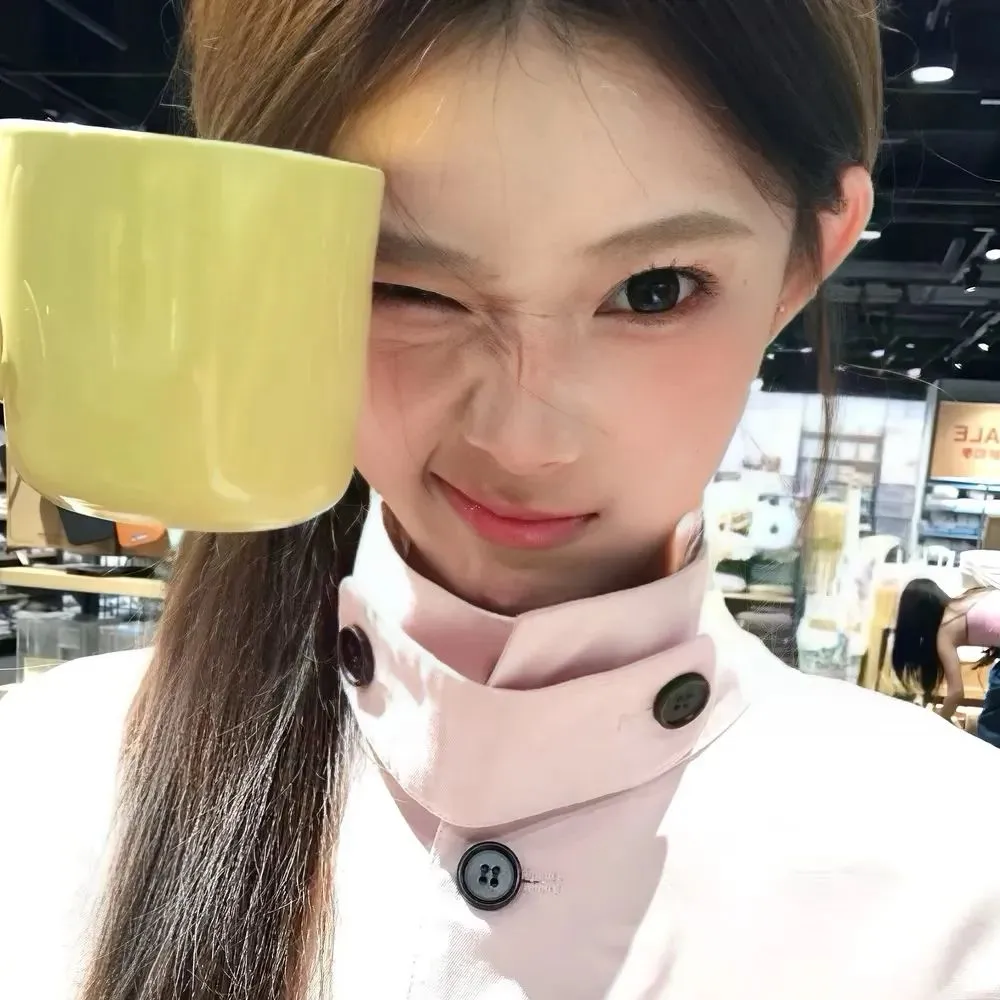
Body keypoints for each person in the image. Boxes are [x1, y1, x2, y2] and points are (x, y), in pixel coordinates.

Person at [1, 2, 999, 998]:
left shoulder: (953, 881)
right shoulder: (42, 785)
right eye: (404, 287)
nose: (522, 440)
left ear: (807, 257)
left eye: (653, 290)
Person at [893, 577, 1000, 744]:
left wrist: (940, 722)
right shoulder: (967, 598)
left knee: (990, 730)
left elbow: (956, 693)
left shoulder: (946, 630)